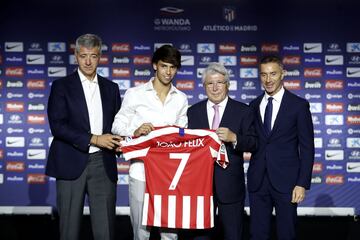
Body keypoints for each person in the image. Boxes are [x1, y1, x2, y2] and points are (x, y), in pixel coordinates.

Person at [46, 33, 122, 240]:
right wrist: (94, 138)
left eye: (94, 56)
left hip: (103, 164)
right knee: (69, 231)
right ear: (76, 56)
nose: (88, 61)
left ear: (100, 57)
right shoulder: (61, 86)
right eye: (83, 56)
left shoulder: (111, 88)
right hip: (71, 163)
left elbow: (117, 126)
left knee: (105, 231)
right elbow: (58, 126)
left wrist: (125, 140)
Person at [111, 44, 188, 240]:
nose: (168, 72)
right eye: (164, 66)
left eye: (173, 67)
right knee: (140, 232)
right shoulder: (134, 94)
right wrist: (134, 132)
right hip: (141, 172)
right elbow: (117, 126)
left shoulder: (181, 98)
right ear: (155, 65)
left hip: (170, 175)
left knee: (170, 233)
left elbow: (182, 134)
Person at [186, 62, 258, 240]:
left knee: (233, 235)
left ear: (228, 84)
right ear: (204, 86)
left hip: (231, 187)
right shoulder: (193, 112)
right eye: (210, 83)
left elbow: (253, 142)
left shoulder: (243, 111)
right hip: (200, 187)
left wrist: (235, 138)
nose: (215, 87)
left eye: (220, 82)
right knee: (200, 237)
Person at [247, 55, 314, 240]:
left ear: (283, 74)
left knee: (287, 234)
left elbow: (307, 148)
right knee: (257, 234)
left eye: (273, 74)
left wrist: (302, 183)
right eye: (263, 75)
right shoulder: (253, 106)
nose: (268, 80)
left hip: (287, 183)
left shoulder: (298, 106)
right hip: (258, 181)